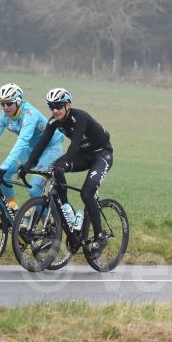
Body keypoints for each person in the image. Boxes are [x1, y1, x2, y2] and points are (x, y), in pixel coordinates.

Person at [20, 88, 113, 259]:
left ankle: (100, 236)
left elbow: (75, 145)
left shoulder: (80, 117)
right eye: (51, 107)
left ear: (68, 105)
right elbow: (41, 144)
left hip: (101, 155)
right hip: (84, 156)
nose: (55, 110)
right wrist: (27, 165)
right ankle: (67, 211)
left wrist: (61, 162)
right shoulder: (54, 121)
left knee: (87, 193)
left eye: (58, 106)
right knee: (57, 170)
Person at [0, 84, 64, 207]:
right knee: (3, 175)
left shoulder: (30, 114)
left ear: (19, 101)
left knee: (34, 189)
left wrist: (6, 163)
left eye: (9, 103)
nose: (6, 107)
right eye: (3, 104)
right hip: (30, 149)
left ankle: (48, 224)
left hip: (50, 149)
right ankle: (14, 210)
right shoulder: (3, 117)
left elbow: (23, 140)